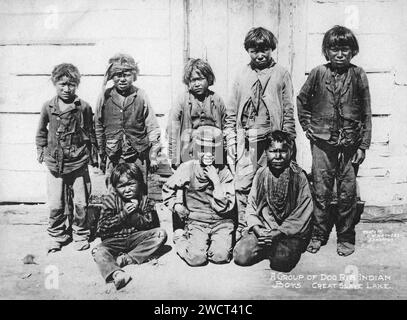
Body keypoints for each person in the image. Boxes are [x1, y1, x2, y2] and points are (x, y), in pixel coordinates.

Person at [297, 25, 372, 256]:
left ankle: (346, 236)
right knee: (321, 190)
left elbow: (367, 112)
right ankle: (318, 234)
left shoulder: (358, 75)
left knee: (347, 192)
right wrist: (308, 127)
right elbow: (302, 101)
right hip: (322, 143)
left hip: (350, 144)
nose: (340, 54)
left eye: (345, 49)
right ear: (326, 51)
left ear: (353, 51)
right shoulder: (318, 73)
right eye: (334, 49)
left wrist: (363, 145)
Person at [224, 27, 297, 241]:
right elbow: (232, 108)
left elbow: (287, 108)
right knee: (244, 182)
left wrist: (289, 140)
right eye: (254, 50)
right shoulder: (242, 74)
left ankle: (273, 227)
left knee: (272, 180)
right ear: (248, 50)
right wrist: (230, 134)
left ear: (271, 49)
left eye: (264, 49)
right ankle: (244, 225)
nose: (260, 55)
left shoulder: (281, 73)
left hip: (272, 140)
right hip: (248, 140)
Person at [36, 63, 98, 253]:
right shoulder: (48, 107)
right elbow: (41, 131)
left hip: (78, 161)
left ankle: (80, 233)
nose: (66, 89)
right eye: (62, 84)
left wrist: (93, 156)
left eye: (71, 84)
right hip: (56, 162)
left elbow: (91, 132)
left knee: (81, 202)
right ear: (55, 83)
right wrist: (41, 149)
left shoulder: (84, 107)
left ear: (76, 85)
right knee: (56, 202)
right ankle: (57, 235)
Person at [233, 131, 313, 272]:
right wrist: (258, 230)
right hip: (263, 230)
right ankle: (267, 247)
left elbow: (303, 211)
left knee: (281, 262)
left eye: (282, 151)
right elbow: (251, 206)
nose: (277, 156)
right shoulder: (261, 174)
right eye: (273, 151)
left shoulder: (299, 176)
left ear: (290, 152)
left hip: (288, 234)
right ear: (266, 152)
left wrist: (279, 232)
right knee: (241, 256)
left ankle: (274, 249)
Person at [162, 126, 235, 266]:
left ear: (218, 151)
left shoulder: (224, 172)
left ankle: (211, 244)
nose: (207, 154)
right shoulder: (188, 167)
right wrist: (176, 205)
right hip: (197, 222)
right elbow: (167, 188)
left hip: (221, 222)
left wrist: (216, 181)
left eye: (212, 150)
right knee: (196, 258)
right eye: (203, 149)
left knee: (220, 257)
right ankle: (181, 237)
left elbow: (225, 207)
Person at [92, 162, 167, 290]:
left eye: (131, 184)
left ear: (139, 183)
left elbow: (152, 226)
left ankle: (127, 259)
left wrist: (136, 215)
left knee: (160, 234)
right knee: (98, 251)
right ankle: (117, 273)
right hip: (114, 240)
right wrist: (123, 214)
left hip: (136, 239)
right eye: (122, 186)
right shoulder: (110, 200)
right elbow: (102, 228)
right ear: (115, 187)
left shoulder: (145, 200)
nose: (127, 189)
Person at [95, 53, 161, 189]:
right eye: (118, 75)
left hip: (138, 152)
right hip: (113, 153)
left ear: (134, 76)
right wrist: (101, 153)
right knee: (114, 190)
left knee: (138, 189)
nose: (122, 79)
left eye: (127, 75)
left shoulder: (141, 95)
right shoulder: (105, 97)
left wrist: (153, 154)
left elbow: (152, 126)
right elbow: (98, 126)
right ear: (112, 77)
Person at [167, 58, 231, 170]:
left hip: (213, 153)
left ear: (209, 79)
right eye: (192, 80)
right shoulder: (182, 100)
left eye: (200, 79)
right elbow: (173, 130)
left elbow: (226, 126)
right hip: (190, 153)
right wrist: (174, 159)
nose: (196, 84)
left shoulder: (216, 100)